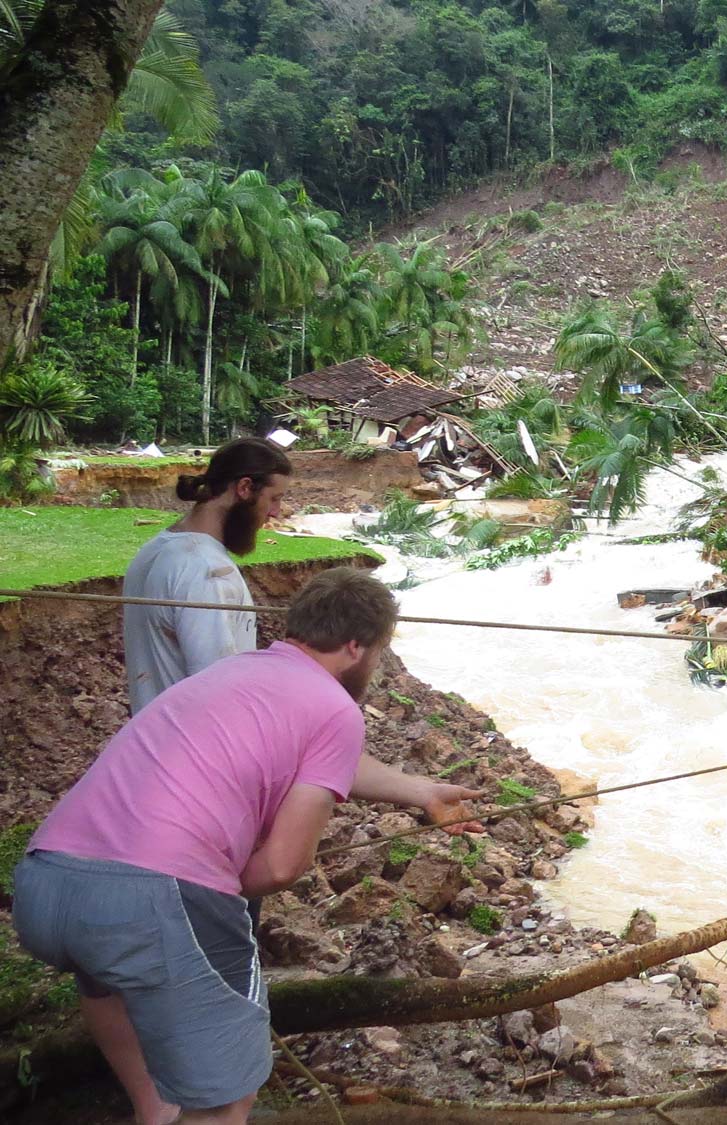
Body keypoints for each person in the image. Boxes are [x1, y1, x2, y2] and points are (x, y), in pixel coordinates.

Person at [11, 569, 482, 1125]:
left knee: (112, 983)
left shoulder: (234, 674)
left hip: (47, 888)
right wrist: (209, 897)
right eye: (379, 651)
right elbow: (284, 865)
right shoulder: (335, 707)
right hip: (155, 899)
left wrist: (421, 791)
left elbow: (316, 758)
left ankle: (155, 1113)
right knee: (225, 1102)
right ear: (357, 646)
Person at [124, 438, 293, 713]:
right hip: (191, 750)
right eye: (274, 499)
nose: (275, 512)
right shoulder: (207, 571)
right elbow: (216, 693)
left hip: (155, 742)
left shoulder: (155, 550)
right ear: (245, 488)